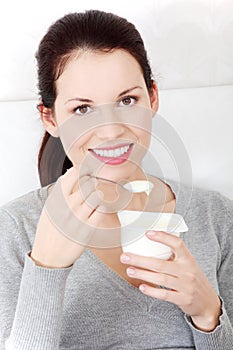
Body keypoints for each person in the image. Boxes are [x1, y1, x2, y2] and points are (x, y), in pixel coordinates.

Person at [0, 9, 232, 350]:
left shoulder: (216, 217)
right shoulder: (14, 229)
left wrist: (208, 312)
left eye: (127, 100)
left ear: (152, 98)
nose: (110, 130)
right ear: (50, 118)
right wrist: (47, 267)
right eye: (82, 109)